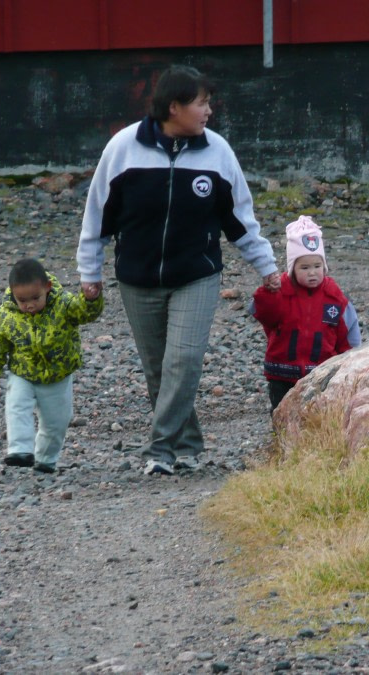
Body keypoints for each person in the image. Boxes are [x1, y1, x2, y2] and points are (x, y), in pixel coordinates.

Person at [76, 65, 280, 476]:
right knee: (158, 369)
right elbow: (98, 213)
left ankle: (160, 450)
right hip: (137, 277)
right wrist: (89, 271)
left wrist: (268, 267)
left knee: (183, 361)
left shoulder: (218, 152)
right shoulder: (123, 147)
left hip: (197, 275)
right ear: (174, 107)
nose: (209, 111)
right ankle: (187, 443)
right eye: (202, 103)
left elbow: (240, 219)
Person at [0, 258, 104, 473]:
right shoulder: (7, 314)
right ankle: (20, 450)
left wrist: (90, 298)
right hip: (22, 372)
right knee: (16, 406)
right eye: (22, 300)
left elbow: (85, 313)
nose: (29, 305)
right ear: (13, 294)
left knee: (57, 422)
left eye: (35, 298)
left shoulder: (63, 304)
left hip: (57, 375)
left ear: (47, 287)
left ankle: (46, 459)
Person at [250, 216, 361, 412]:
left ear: (324, 266)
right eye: (305, 267)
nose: (312, 273)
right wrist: (269, 291)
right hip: (282, 373)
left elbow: (349, 334)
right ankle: (281, 441)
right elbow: (263, 314)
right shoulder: (280, 291)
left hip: (321, 374)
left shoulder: (334, 297)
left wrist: (350, 362)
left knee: (316, 416)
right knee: (281, 415)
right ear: (292, 268)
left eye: (317, 266)